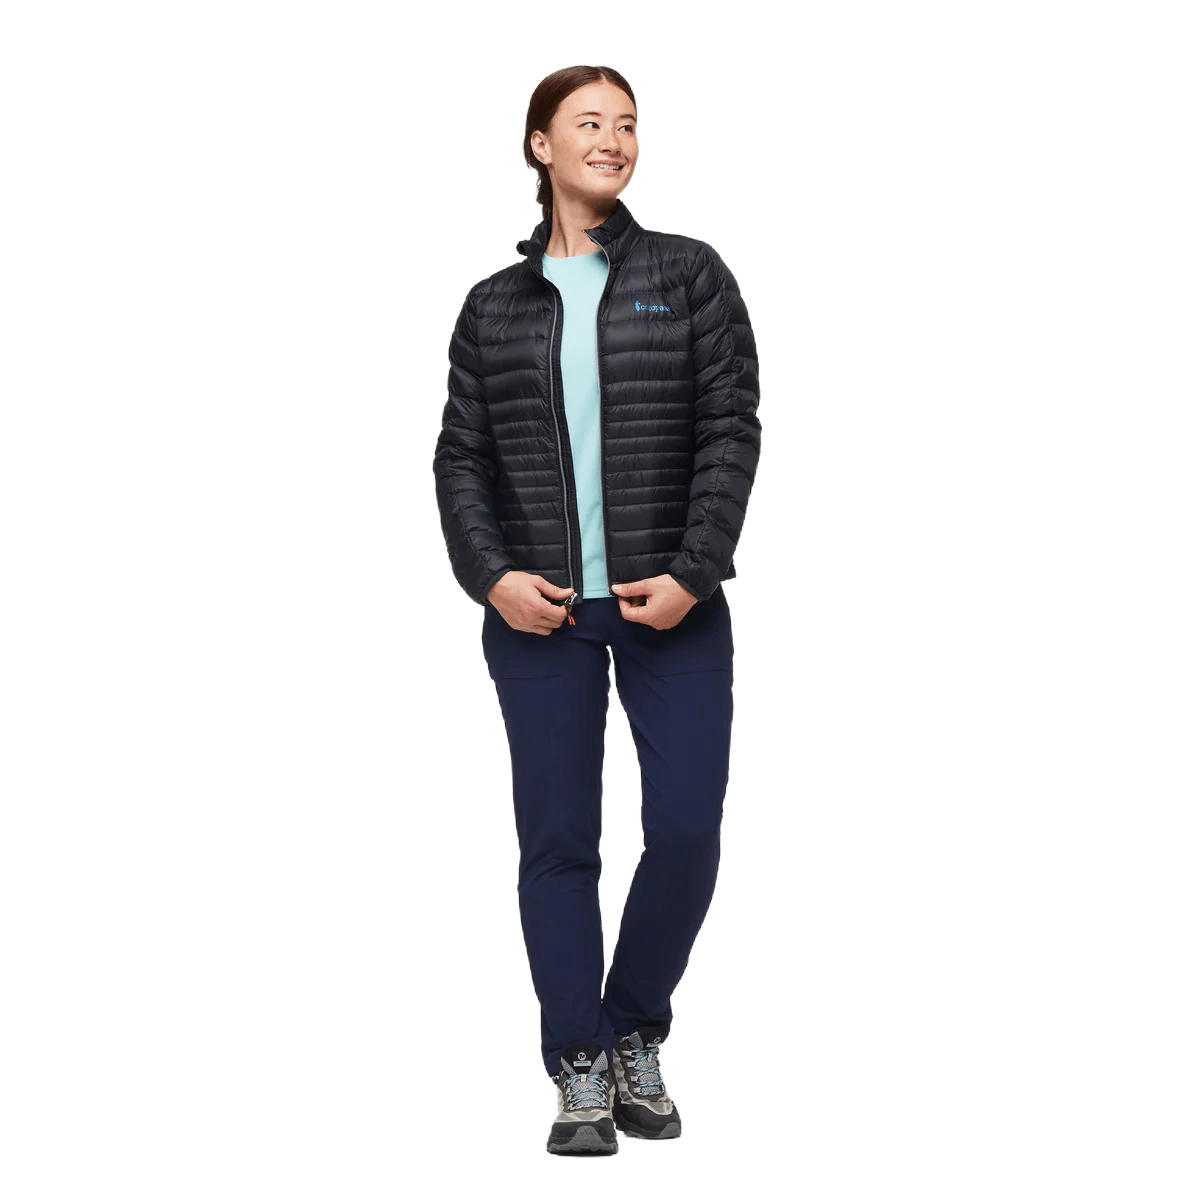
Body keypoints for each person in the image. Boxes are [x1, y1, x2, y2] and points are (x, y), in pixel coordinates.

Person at [432, 64, 761, 1156]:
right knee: (560, 840)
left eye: (627, 123)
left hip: (675, 605)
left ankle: (633, 1025)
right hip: (540, 615)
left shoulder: (689, 273)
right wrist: (491, 575)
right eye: (589, 123)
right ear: (541, 145)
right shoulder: (494, 305)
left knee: (686, 829)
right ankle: (580, 1060)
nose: (613, 139)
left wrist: (695, 571)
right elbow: (460, 456)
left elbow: (731, 427)